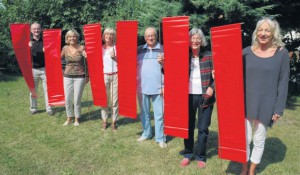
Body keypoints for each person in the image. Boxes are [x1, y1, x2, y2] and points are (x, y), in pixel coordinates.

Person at [240, 17, 289, 175]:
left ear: (273, 33)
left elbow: (283, 82)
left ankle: (252, 171)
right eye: (260, 30)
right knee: (245, 139)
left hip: (267, 103)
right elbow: (233, 73)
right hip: (246, 102)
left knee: (259, 139)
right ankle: (244, 168)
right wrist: (217, 73)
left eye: (267, 30)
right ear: (256, 32)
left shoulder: (282, 53)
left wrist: (278, 109)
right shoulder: (246, 52)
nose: (263, 33)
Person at [178, 28, 215, 168]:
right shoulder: (183, 56)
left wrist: (213, 86)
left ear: (201, 40)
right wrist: (163, 64)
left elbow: (220, 74)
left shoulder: (210, 55)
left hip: (206, 96)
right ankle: (188, 154)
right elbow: (171, 72)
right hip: (187, 96)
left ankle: (200, 155)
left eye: (197, 38)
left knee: (203, 127)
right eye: (192, 38)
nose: (195, 41)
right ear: (188, 40)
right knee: (187, 126)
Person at [137, 27, 166, 148]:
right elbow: (127, 63)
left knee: (159, 114)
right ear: (144, 38)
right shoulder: (138, 50)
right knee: (144, 113)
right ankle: (146, 133)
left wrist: (164, 62)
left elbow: (172, 68)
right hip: (142, 87)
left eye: (152, 35)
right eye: (147, 36)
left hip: (159, 87)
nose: (150, 38)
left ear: (156, 36)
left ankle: (160, 138)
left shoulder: (164, 49)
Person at [61, 29, 89, 126]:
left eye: (74, 36)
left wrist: (86, 56)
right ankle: (69, 117)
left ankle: (77, 118)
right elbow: (55, 58)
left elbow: (88, 63)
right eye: (70, 36)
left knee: (77, 99)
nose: (72, 38)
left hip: (80, 76)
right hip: (67, 76)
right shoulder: (64, 48)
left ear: (77, 37)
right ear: (67, 38)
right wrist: (46, 50)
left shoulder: (82, 48)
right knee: (67, 99)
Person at [28, 22, 55, 116]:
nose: (36, 30)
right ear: (31, 30)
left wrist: (47, 50)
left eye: (38, 28)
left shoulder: (46, 40)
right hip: (33, 69)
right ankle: (33, 108)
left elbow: (53, 52)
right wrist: (27, 47)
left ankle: (49, 109)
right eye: (34, 29)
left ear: (41, 30)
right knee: (32, 90)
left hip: (45, 68)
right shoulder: (28, 41)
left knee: (48, 90)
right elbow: (22, 54)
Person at [101, 28, 119, 131]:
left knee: (114, 100)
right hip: (103, 76)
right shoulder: (100, 48)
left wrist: (115, 58)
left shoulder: (117, 48)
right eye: (107, 34)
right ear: (104, 36)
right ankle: (104, 120)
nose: (108, 36)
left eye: (111, 34)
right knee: (104, 99)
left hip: (115, 75)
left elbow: (125, 62)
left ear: (114, 36)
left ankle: (114, 121)